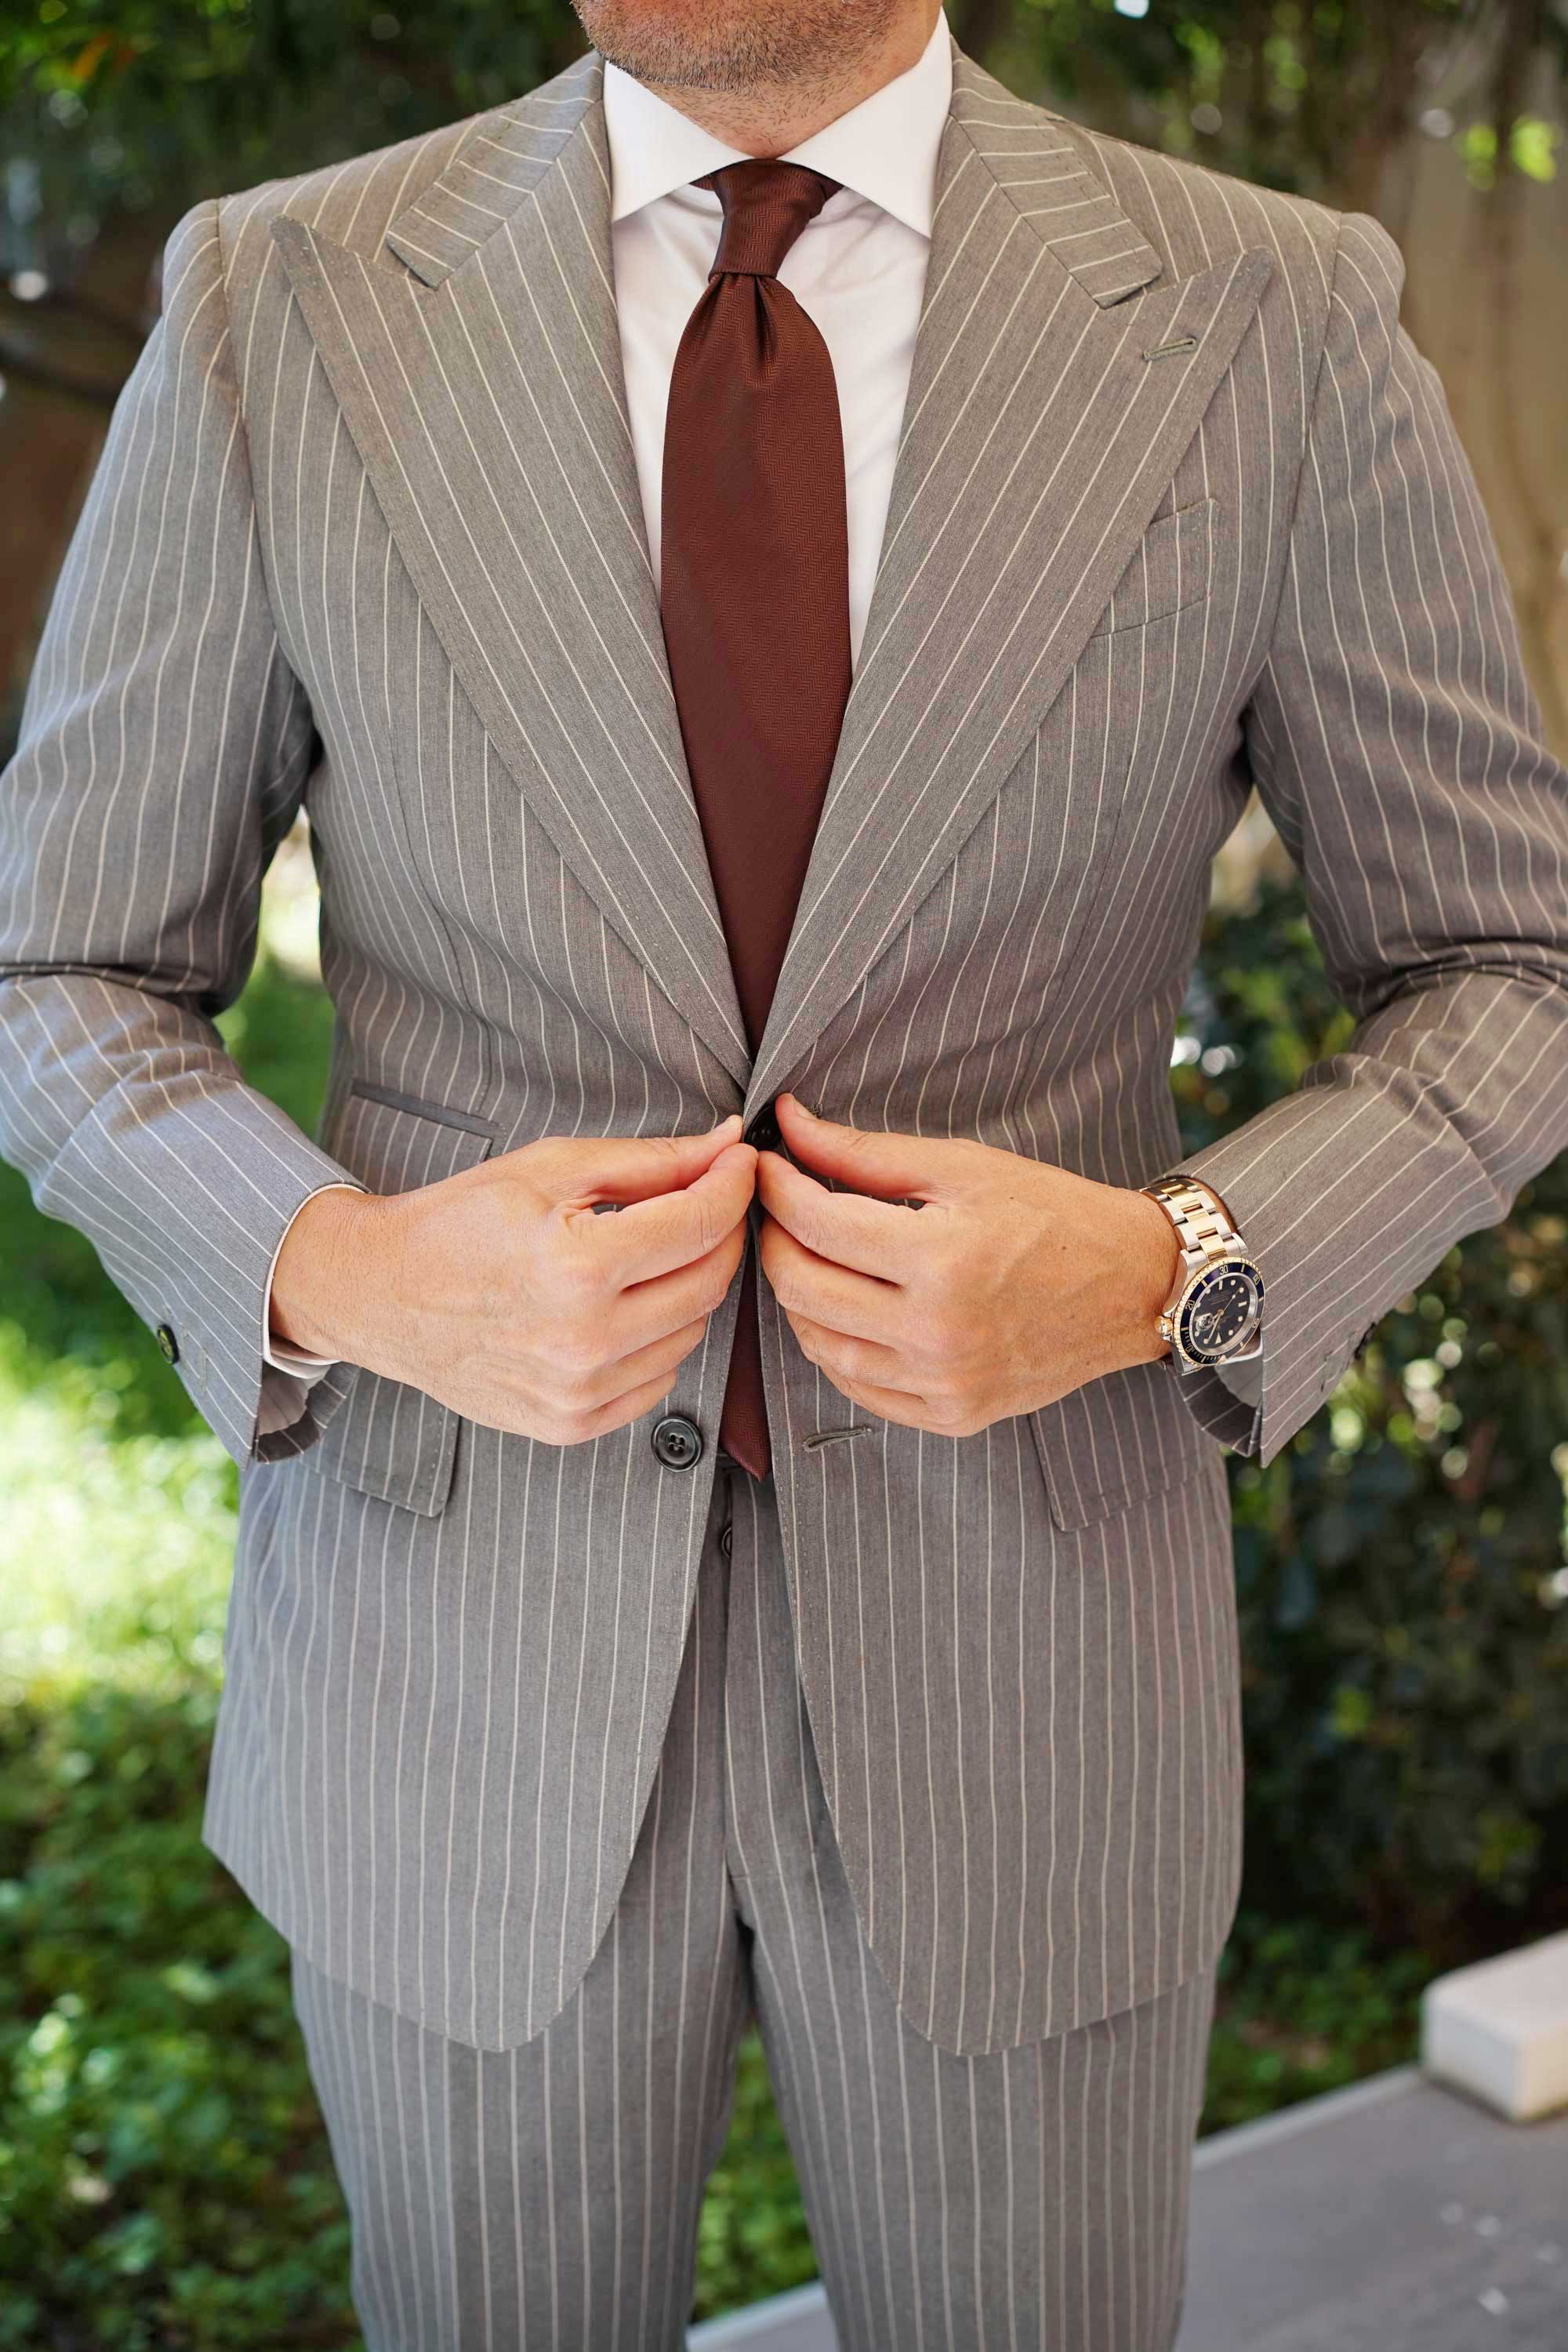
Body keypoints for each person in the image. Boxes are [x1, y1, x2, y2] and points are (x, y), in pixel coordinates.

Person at [3, 1, 1566, 2343]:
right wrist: (338, 1268)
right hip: (453, 1680)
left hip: (1028, 1670)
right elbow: (58, 972)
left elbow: (1506, 964)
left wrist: (1179, 1265)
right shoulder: (277, 297)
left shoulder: (1270, 309)